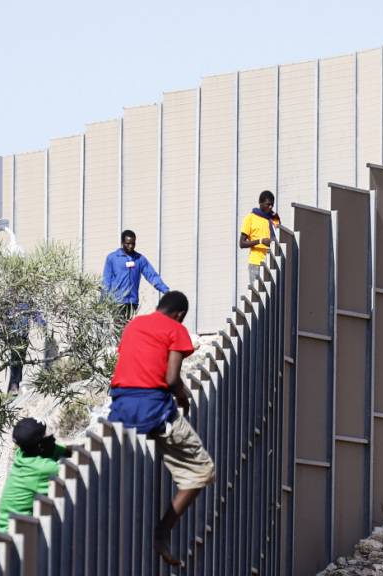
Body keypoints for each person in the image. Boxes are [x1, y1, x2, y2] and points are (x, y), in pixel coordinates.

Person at [107, 290, 215, 566]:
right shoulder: (176, 329)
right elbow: (170, 378)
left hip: (120, 409)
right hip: (153, 410)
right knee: (202, 471)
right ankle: (163, 531)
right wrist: (184, 396)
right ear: (180, 315)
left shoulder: (133, 326)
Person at [0, 418, 72, 532]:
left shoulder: (22, 454)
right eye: (45, 436)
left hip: (7, 527)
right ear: (40, 446)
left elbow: (64, 451)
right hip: (14, 535)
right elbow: (75, 471)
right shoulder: (43, 468)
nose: (51, 438)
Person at [102, 230, 170, 322]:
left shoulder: (139, 259)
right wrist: (102, 302)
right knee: (120, 328)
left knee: (129, 327)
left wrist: (166, 291)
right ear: (122, 243)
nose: (131, 246)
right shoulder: (112, 258)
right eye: (128, 243)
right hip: (117, 301)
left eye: (133, 243)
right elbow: (106, 280)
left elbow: (152, 275)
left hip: (132, 302)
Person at [239, 190, 280, 285]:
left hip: (272, 262)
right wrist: (261, 241)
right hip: (256, 263)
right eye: (268, 204)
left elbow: (279, 235)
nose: (270, 207)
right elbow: (242, 243)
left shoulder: (274, 217)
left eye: (272, 205)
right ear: (260, 203)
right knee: (257, 297)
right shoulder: (250, 218)